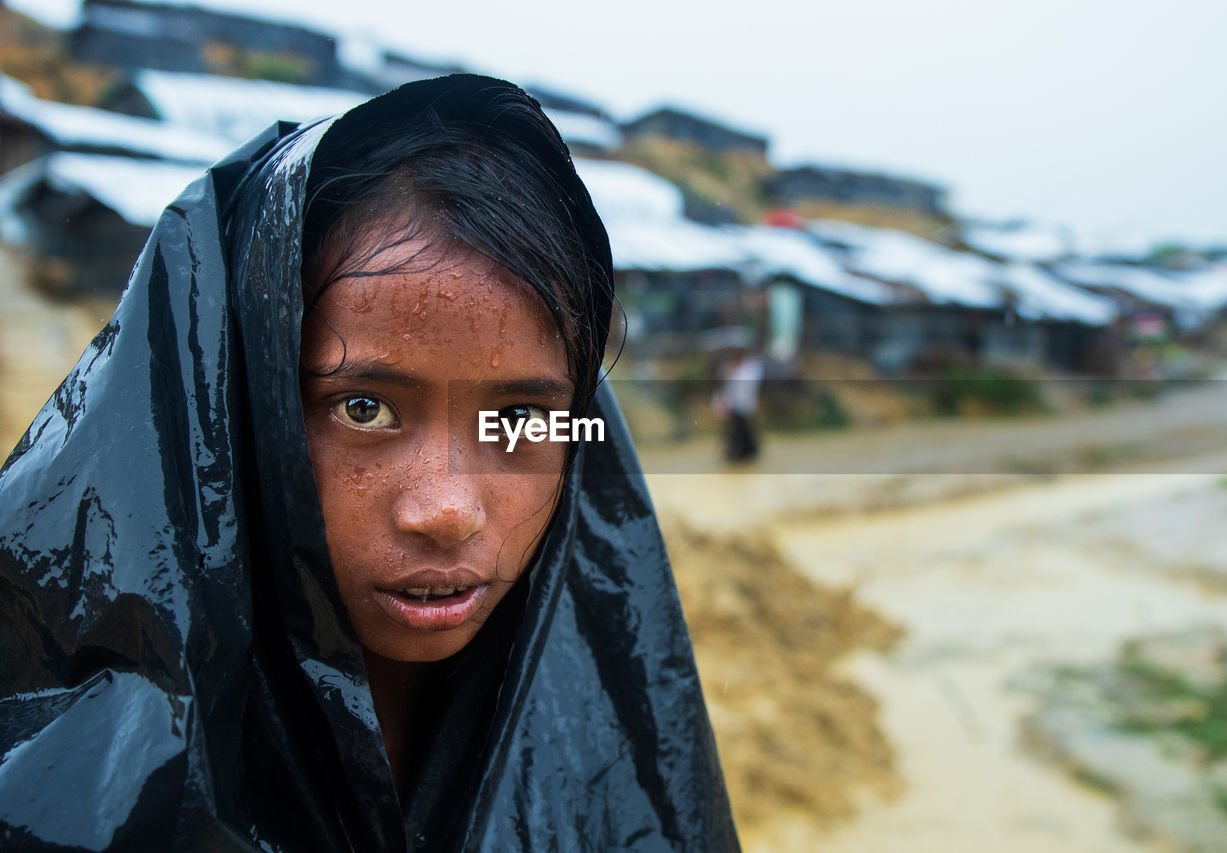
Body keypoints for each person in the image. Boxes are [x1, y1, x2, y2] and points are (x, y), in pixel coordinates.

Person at [0, 75, 738, 851]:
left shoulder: (604, 755)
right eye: (363, 408)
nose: (448, 509)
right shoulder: (57, 761)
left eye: (518, 418)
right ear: (241, 402)